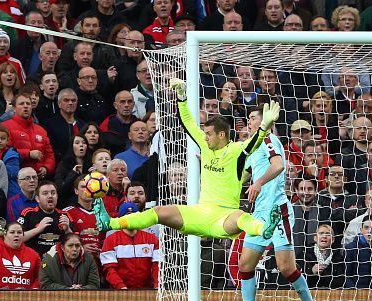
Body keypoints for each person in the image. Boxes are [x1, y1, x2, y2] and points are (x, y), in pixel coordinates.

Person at [93, 79, 283, 243]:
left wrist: (264, 126)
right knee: (158, 211)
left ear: (222, 135)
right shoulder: (205, 146)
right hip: (199, 214)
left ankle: (263, 229)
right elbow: (188, 123)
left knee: (241, 218)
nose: (205, 137)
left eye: (209, 134)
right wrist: (181, 99)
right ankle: (110, 222)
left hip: (224, 217)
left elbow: (254, 142)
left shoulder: (236, 151)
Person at [234, 108, 320, 301]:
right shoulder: (252, 147)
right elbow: (242, 176)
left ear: (266, 121)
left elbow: (278, 165)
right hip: (259, 214)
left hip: (277, 211)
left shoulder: (270, 139)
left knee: (286, 268)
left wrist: (259, 182)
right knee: (245, 265)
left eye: (253, 118)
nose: (249, 122)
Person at [99, 202, 160, 289]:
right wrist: (121, 287)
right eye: (127, 216)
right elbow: (109, 269)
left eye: (133, 216)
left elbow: (157, 266)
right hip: (120, 292)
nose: (130, 219)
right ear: (120, 219)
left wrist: (156, 286)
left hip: (148, 290)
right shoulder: (110, 240)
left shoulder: (152, 239)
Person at [18, 180, 72, 257]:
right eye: (45, 193)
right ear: (37, 199)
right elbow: (18, 238)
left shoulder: (64, 214)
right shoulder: (28, 213)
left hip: (58, 262)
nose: (50, 196)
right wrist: (38, 229)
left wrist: (67, 230)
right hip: (34, 260)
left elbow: (75, 243)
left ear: (57, 196)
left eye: (53, 193)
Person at [0, 221, 41, 290]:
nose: (16, 235)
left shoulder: (34, 255)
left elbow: (39, 279)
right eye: (12, 232)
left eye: (19, 232)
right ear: (4, 235)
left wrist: (31, 293)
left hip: (26, 298)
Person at [302, 224, 345, 289]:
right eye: (321, 233)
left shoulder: (338, 258)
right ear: (315, 238)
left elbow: (341, 281)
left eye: (328, 234)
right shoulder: (304, 255)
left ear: (333, 240)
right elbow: (298, 281)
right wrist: (311, 272)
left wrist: (324, 274)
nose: (324, 236)